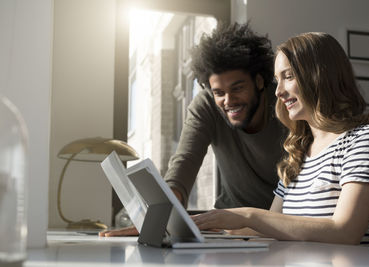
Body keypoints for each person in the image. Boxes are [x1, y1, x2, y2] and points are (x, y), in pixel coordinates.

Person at [192, 32, 369, 247]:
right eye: (277, 80)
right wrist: (213, 227)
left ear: (319, 75)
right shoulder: (298, 153)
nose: (279, 91)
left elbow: (345, 232)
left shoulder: (366, 140)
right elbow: (274, 227)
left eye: (288, 76)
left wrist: (247, 215)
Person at [100, 23, 285, 236]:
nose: (228, 100)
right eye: (219, 92)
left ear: (259, 81)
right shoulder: (207, 104)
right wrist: (161, 216)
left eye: (238, 88)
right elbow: (185, 160)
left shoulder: (287, 104)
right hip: (228, 227)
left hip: (279, 226)